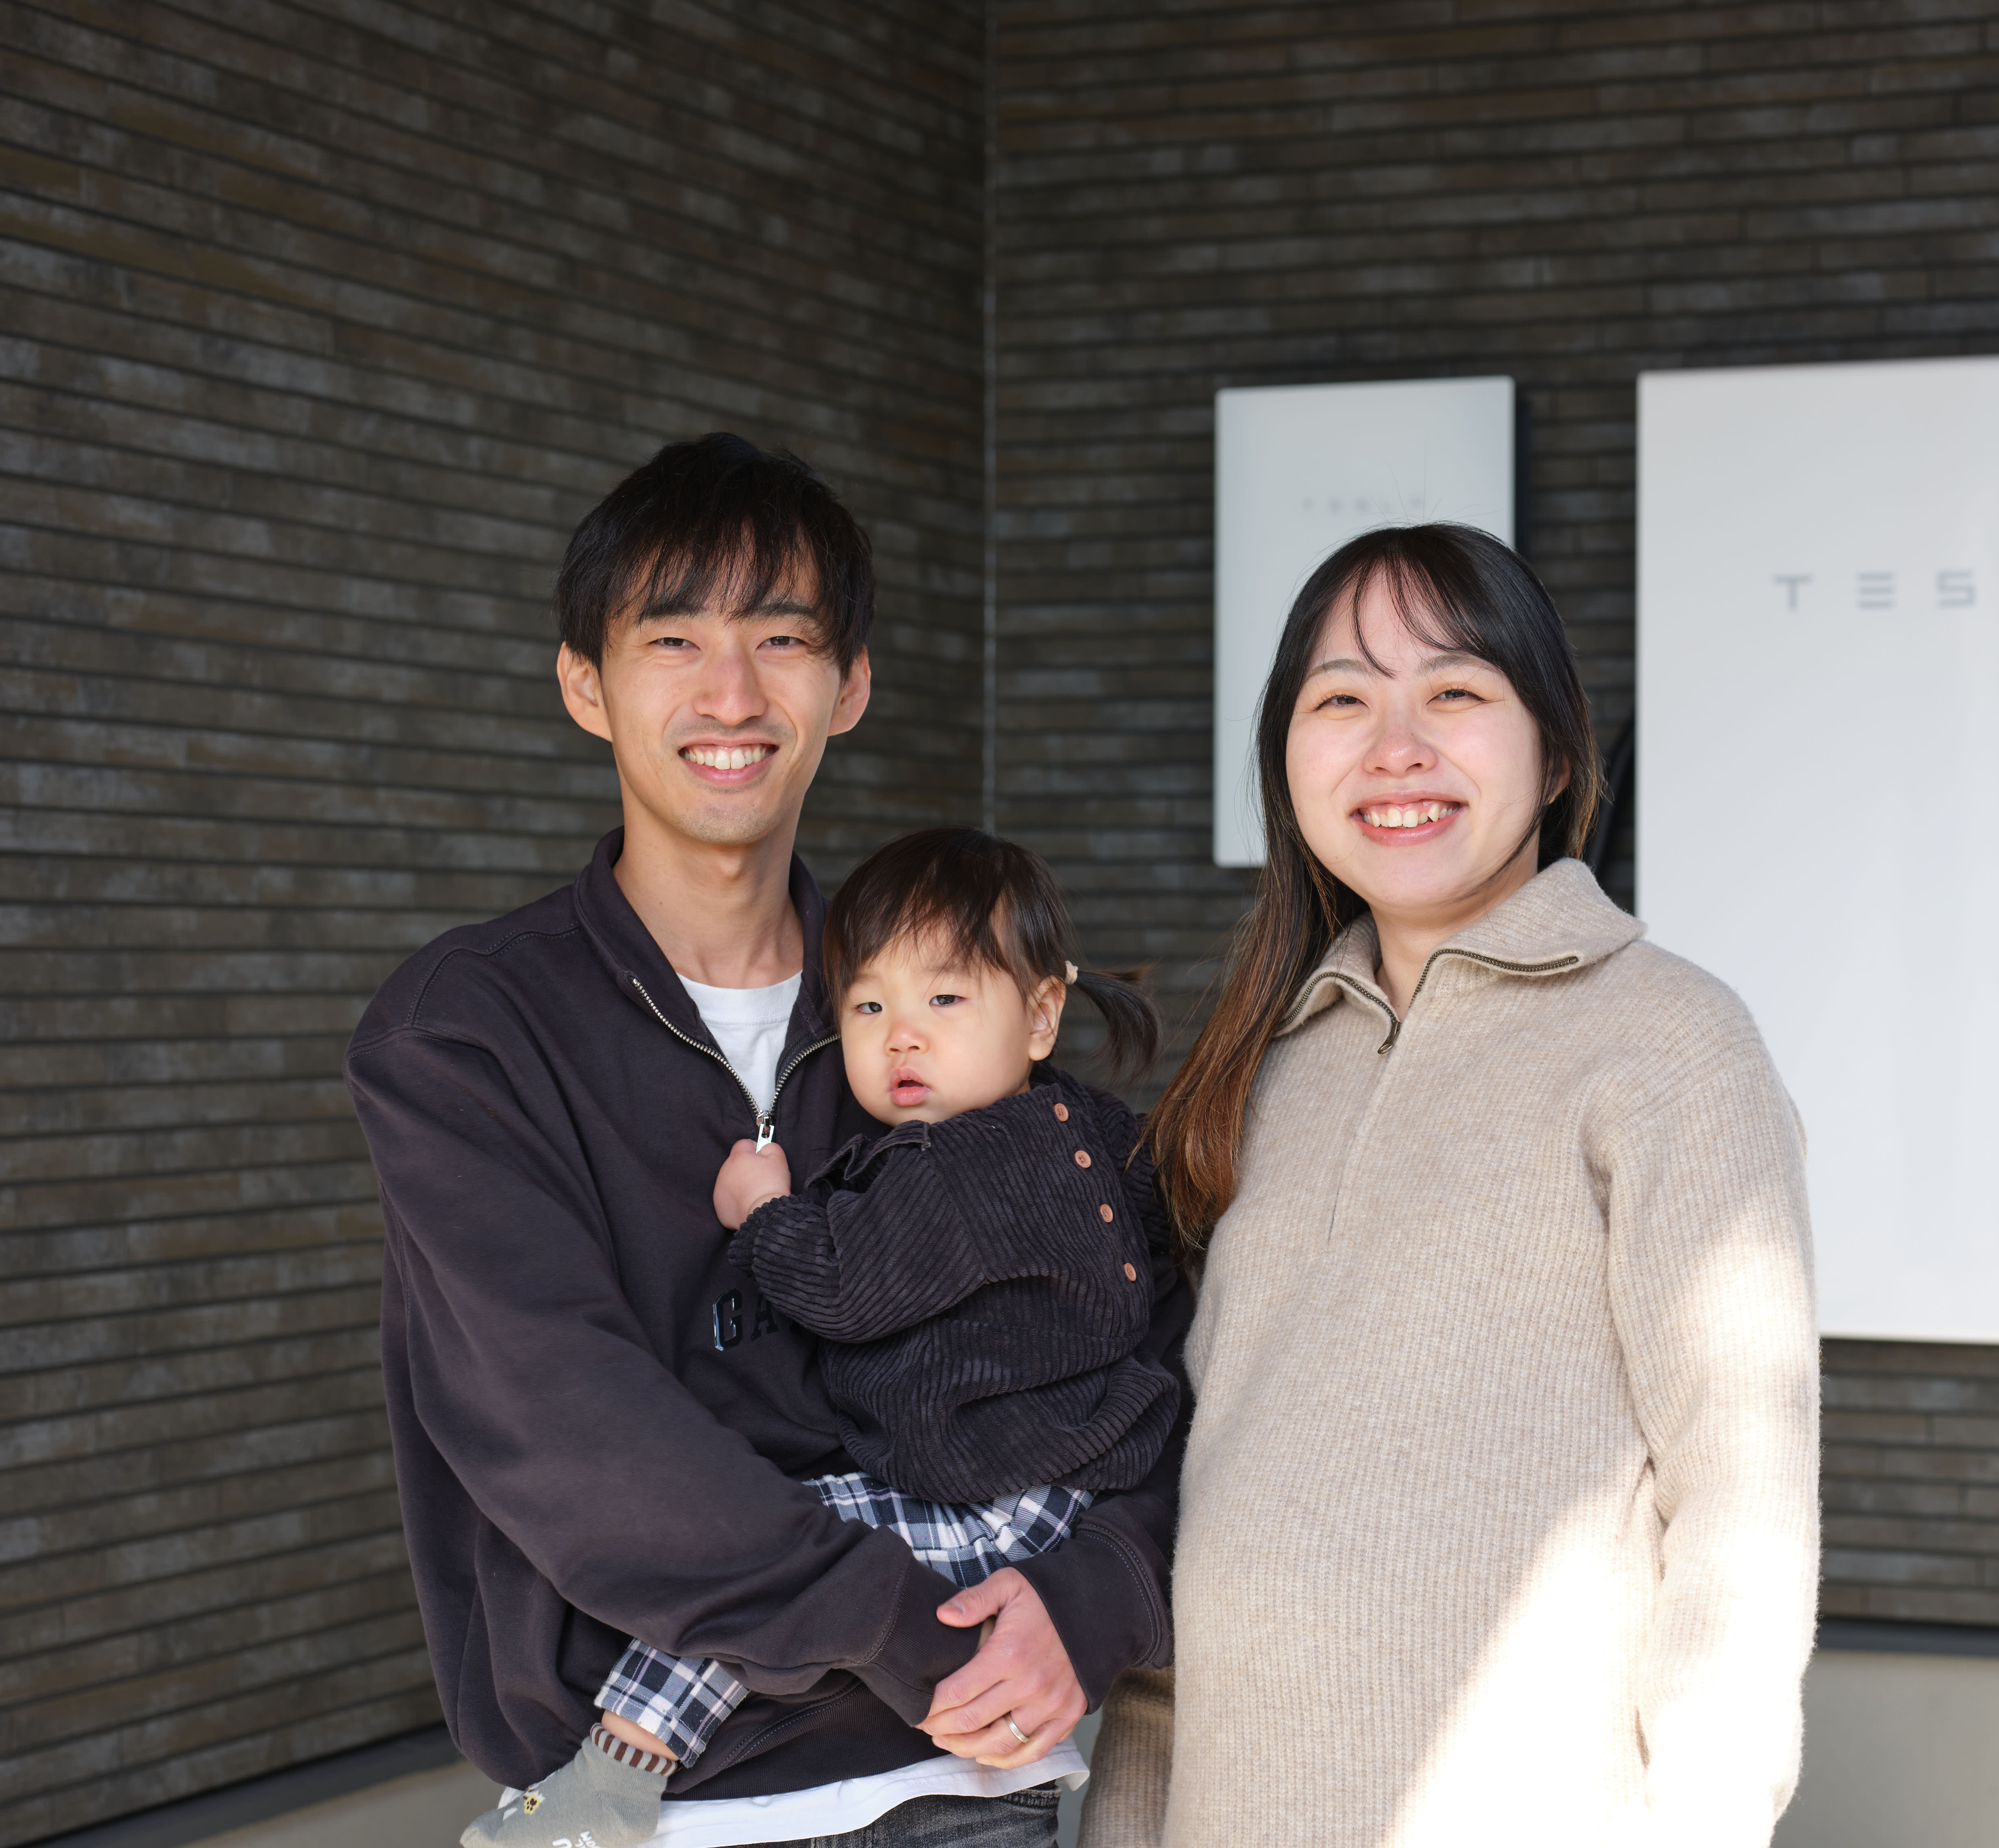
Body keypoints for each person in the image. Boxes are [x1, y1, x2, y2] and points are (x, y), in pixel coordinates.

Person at [349, 436, 1189, 1848]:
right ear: (584, 682)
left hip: (965, 1793)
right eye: (671, 636)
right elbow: (564, 1422)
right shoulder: (467, 1032)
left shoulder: (942, 1015)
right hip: (654, 1808)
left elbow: (1144, 1333)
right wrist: (910, 1628)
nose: (730, 694)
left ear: (847, 684)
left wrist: (1093, 1599)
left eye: (782, 638)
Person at [1080, 525, 1821, 1847]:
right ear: (1286, 762)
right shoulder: (1258, 1063)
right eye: (1342, 698)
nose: (1396, 745)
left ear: (1554, 752)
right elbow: (1191, 1506)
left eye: (1457, 692)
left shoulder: (1668, 1041)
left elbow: (1741, 1499)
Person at [467, 828, 1180, 1848]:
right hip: (1057, 1491)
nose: (901, 1038)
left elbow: (846, 1288)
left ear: (1040, 1015)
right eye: (867, 1005)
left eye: (944, 1000)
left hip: (997, 1498)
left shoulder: (964, 1167)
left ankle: (611, 1782)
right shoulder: (1090, 1133)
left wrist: (763, 1215)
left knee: (764, 1563)